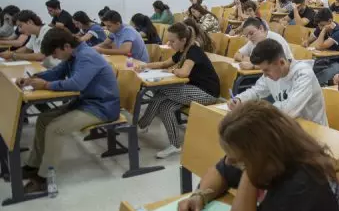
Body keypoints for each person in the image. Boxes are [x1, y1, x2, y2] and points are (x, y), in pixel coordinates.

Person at [176, 101, 339, 211]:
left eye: (239, 158)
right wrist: (200, 196)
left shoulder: (302, 177)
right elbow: (221, 171)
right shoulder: (272, 153)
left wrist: (250, 170)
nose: (229, 161)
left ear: (260, 154)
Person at [17, 27, 120, 193]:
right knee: (43, 119)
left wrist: (46, 85)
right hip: (86, 102)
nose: (55, 57)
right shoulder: (74, 54)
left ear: (66, 46)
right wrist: (34, 78)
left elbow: (76, 84)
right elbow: (57, 72)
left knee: (56, 129)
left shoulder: (86, 57)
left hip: (102, 107)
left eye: (55, 54)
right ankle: (33, 165)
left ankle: (44, 177)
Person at [135, 23, 220, 158]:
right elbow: (164, 64)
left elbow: (184, 73)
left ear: (183, 40)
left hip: (206, 93)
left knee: (161, 91)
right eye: (168, 40)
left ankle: (142, 124)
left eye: (172, 41)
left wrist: (173, 70)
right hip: (191, 89)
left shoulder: (193, 50)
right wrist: (145, 65)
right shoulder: (182, 51)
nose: (169, 44)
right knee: (165, 107)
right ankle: (175, 145)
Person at [229, 39, 328, 125]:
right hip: (287, 127)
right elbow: (256, 92)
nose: (264, 74)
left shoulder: (304, 74)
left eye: (266, 70)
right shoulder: (271, 74)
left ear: (281, 62)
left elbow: (289, 111)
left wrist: (258, 110)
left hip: (312, 131)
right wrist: (239, 100)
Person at [304, 9, 339, 85]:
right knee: (309, 67)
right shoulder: (322, 26)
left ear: (330, 21)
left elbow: (319, 46)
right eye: (319, 25)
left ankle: (312, 87)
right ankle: (308, 85)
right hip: (329, 61)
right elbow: (309, 41)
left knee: (323, 74)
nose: (320, 28)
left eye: (322, 25)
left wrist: (323, 30)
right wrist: (306, 42)